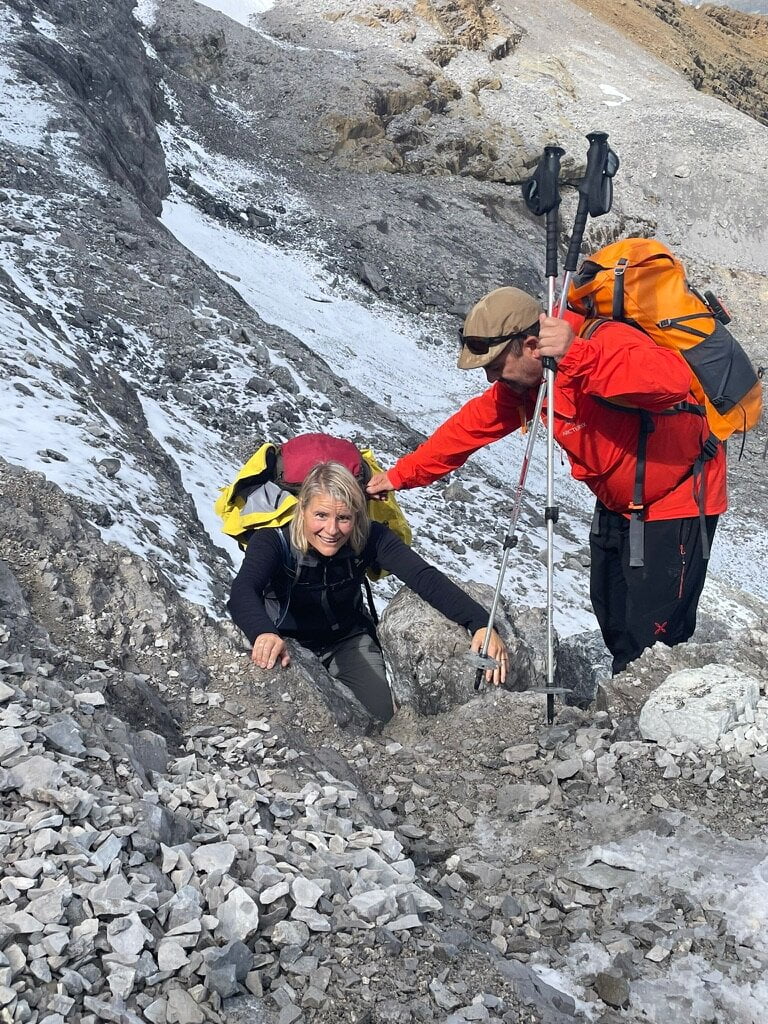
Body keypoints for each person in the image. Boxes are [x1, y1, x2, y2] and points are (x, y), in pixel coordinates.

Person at [367, 286, 727, 676]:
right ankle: (628, 706)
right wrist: (398, 477)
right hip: (619, 502)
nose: (490, 377)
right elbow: (467, 430)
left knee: (656, 636)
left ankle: (664, 721)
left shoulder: (601, 342)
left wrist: (577, 355)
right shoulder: (525, 385)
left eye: (496, 363)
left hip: (680, 497)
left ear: (532, 345)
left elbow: (671, 380)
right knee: (614, 617)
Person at [228, 460, 508, 721]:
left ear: (357, 515)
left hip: (347, 640)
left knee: (380, 719)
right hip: (287, 642)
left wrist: (480, 622)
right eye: (321, 515)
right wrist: (263, 633)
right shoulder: (273, 540)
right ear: (302, 510)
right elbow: (243, 590)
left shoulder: (370, 537)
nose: (332, 530)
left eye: (344, 518)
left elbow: (423, 577)